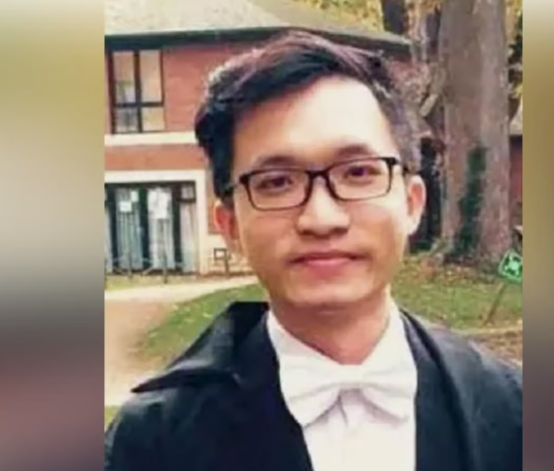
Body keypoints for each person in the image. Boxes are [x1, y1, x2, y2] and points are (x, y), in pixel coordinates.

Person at [105, 30, 522, 471]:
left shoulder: (512, 413)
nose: (321, 219)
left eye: (358, 172)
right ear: (230, 225)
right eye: (276, 182)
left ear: (412, 203)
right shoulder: (152, 444)